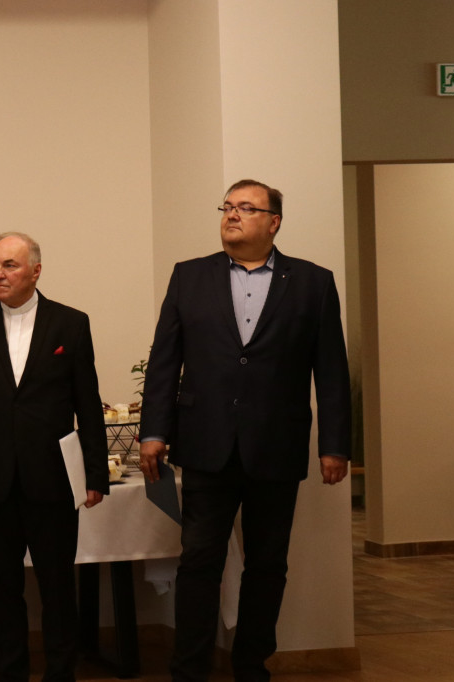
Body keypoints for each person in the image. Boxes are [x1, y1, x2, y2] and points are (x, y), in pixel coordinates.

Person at [138, 180, 351, 682]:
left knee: (267, 564)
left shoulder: (313, 283)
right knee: (199, 562)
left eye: (246, 208)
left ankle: (251, 666)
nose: (232, 214)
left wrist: (336, 445)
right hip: (205, 443)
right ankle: (189, 671)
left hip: (276, 445)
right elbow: (165, 361)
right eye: (228, 207)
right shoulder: (189, 276)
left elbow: (332, 371)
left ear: (273, 222)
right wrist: (153, 430)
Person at [0, 232, 109, 682]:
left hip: (52, 478)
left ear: (35, 271)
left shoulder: (70, 324)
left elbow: (88, 404)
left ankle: (61, 675)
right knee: (2, 591)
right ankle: (11, 675)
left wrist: (96, 475)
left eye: (10, 265)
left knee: (58, 589)